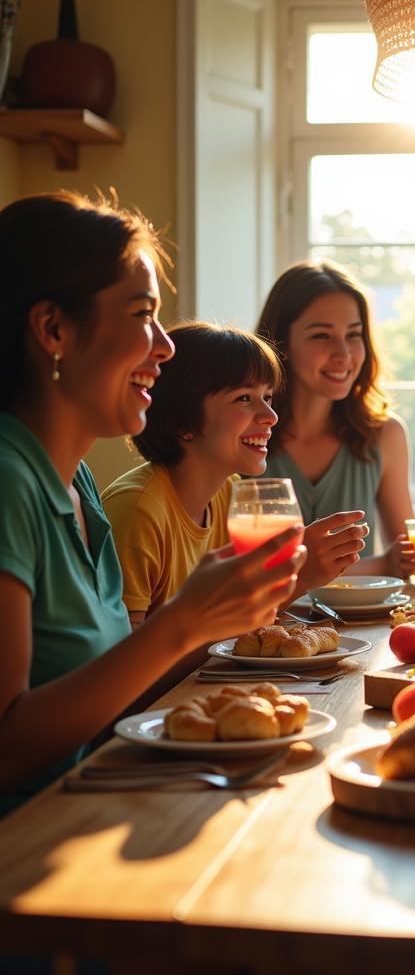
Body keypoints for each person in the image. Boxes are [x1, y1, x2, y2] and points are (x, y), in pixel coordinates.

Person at [0, 192, 305, 815]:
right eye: (143, 315)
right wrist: (184, 622)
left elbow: (103, 691)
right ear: (53, 329)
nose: (164, 347)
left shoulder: (76, 482)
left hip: (99, 801)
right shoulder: (9, 484)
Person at [103, 321, 368, 627]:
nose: (271, 416)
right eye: (244, 398)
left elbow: (235, 618)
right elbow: (130, 665)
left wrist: (300, 577)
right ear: (182, 421)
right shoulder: (138, 512)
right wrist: (298, 575)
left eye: (267, 397)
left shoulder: (227, 492)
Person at [256, 261, 415, 578]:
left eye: (354, 335)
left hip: (356, 626)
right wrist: (379, 565)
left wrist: (394, 563)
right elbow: (229, 571)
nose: (343, 353)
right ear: (282, 343)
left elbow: (407, 561)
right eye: (322, 336)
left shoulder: (385, 435)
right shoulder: (245, 433)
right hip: (260, 626)